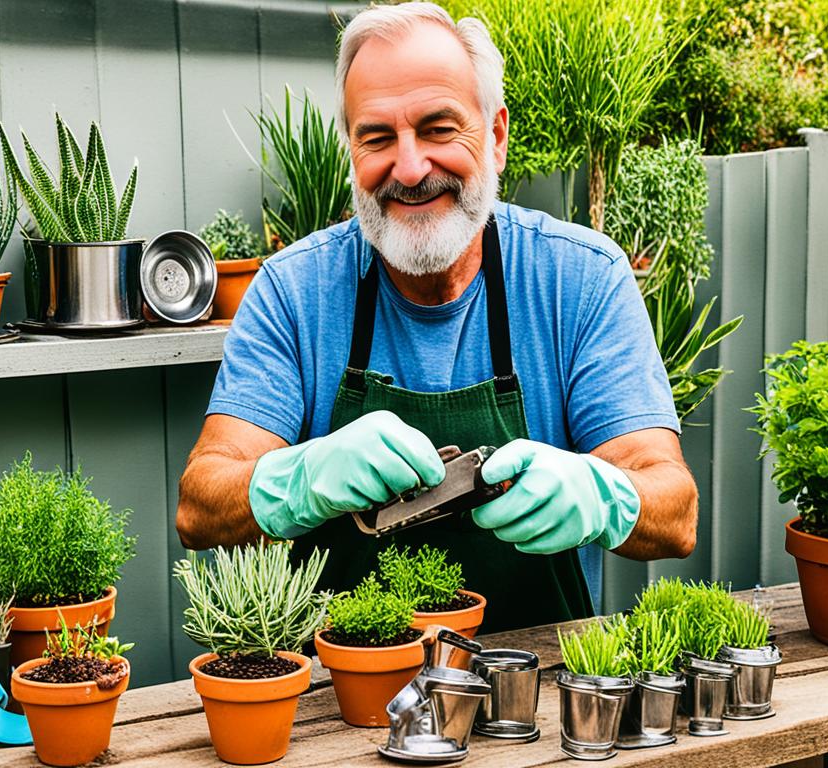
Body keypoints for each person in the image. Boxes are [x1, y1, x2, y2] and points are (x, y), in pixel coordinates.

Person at [175, 2, 697, 632]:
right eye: (376, 137)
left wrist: (602, 497)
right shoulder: (294, 291)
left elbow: (677, 513)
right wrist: (302, 480)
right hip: (345, 698)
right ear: (351, 149)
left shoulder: (579, 279)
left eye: (438, 128)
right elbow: (200, 507)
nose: (410, 167)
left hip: (540, 697)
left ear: (496, 136)